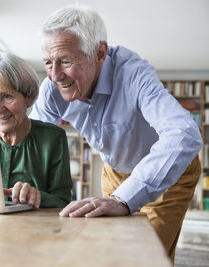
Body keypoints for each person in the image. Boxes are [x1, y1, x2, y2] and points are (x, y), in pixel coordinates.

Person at [29, 5, 202, 260]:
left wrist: (123, 199)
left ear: (99, 53)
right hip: (115, 172)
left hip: (169, 174)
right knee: (111, 250)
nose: (55, 75)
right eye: (47, 62)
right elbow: (33, 141)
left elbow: (185, 133)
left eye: (66, 61)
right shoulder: (51, 88)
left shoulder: (134, 75)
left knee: (144, 255)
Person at [0, 52, 73, 208]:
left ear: (28, 97)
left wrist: (37, 197)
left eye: (7, 97)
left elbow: (63, 201)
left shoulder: (53, 138)